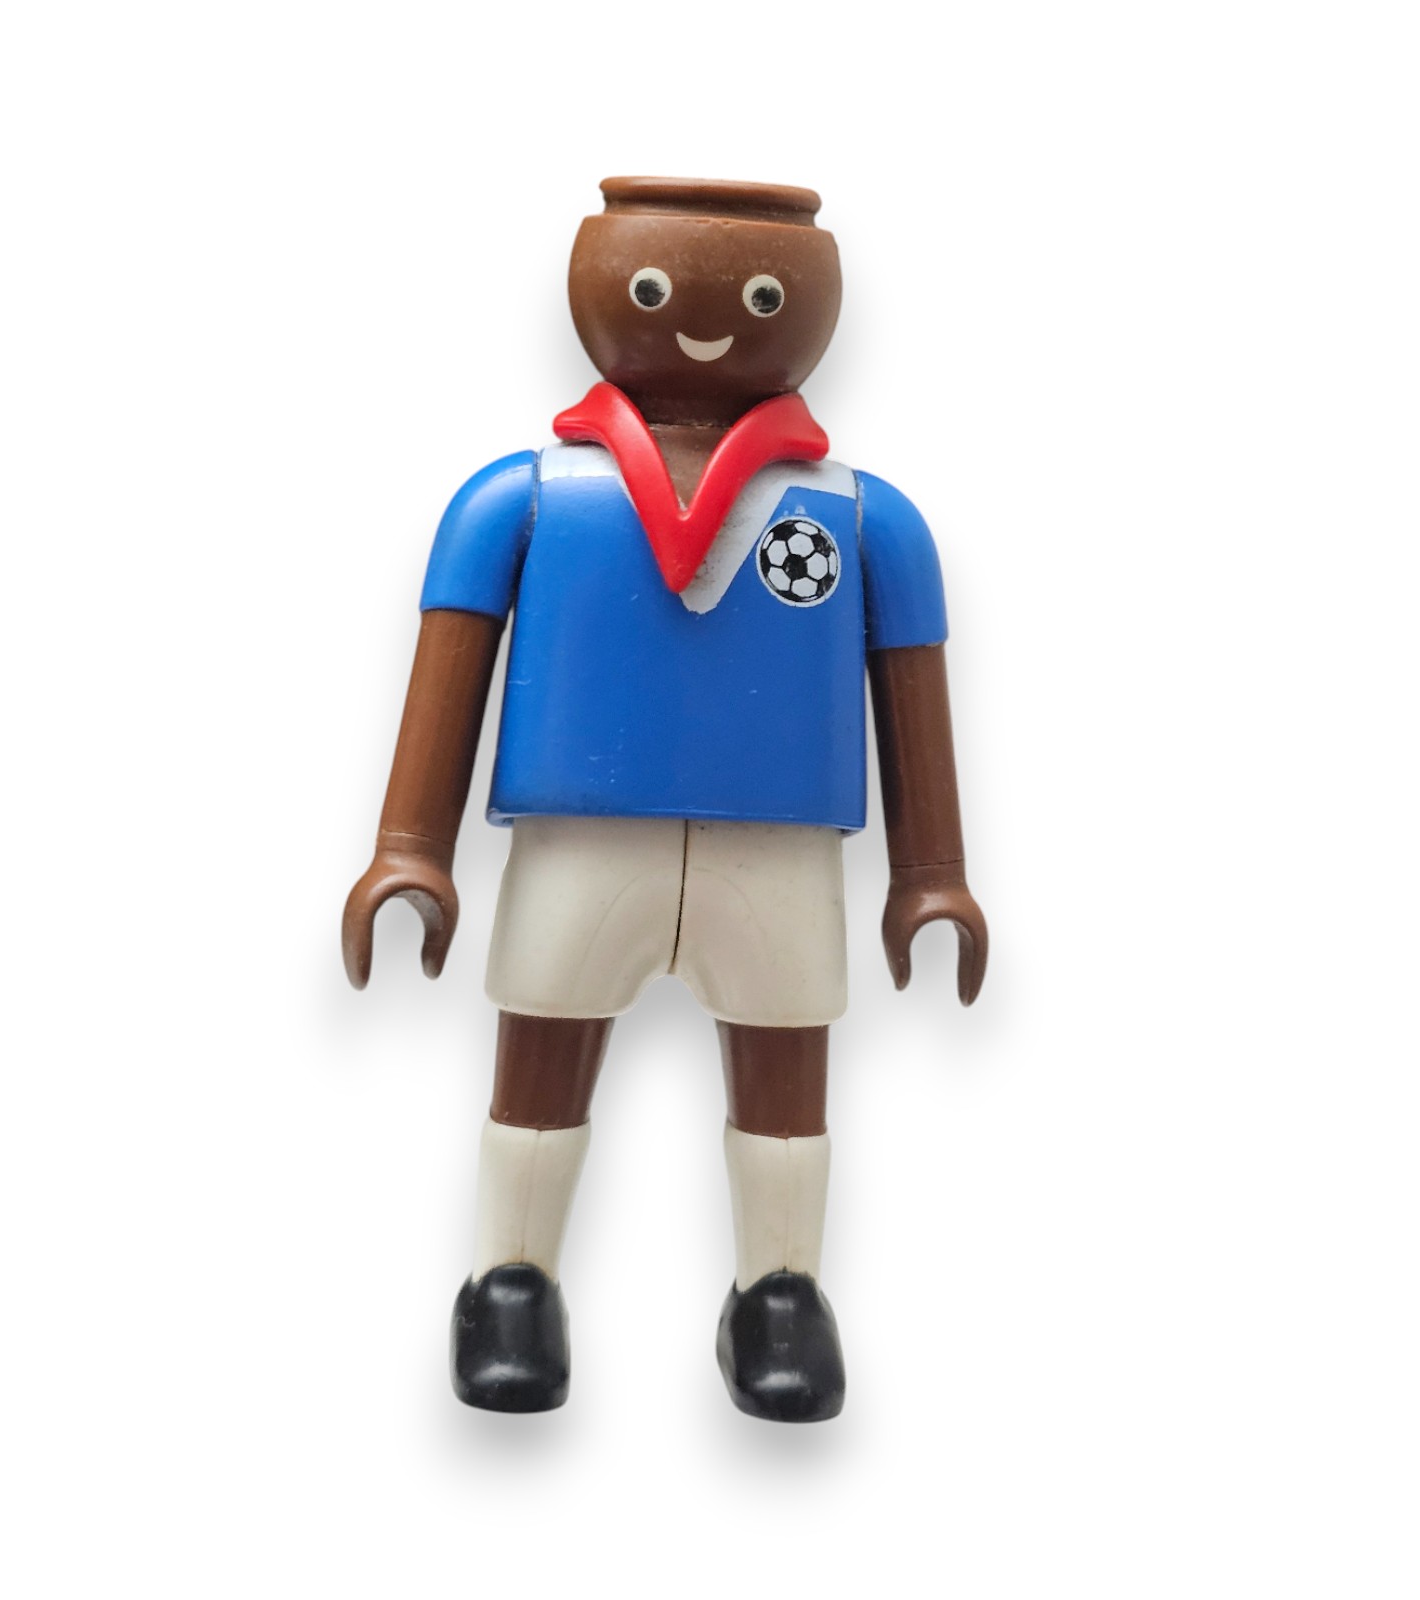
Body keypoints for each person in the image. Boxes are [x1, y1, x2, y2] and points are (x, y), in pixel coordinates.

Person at [343, 176, 987, 1422]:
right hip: (579, 839)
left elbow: (912, 686)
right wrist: (408, 846)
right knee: (540, 1041)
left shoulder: (862, 519)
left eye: (763, 298)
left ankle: (778, 1289)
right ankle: (511, 1277)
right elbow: (451, 660)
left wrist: (930, 874)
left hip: (778, 852)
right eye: (651, 285)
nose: (705, 319)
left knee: (786, 1065)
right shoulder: (520, 497)